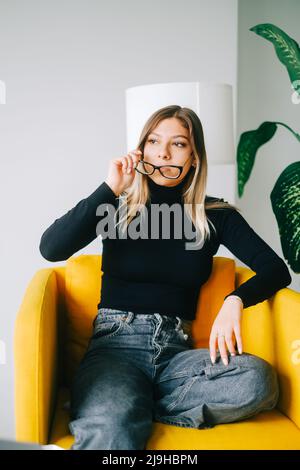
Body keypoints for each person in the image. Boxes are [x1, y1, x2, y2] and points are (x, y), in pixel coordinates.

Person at [39, 105, 291, 450]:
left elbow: (276, 269)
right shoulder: (118, 206)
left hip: (177, 354)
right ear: (142, 149)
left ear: (194, 158)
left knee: (258, 380)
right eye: (154, 141)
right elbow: (51, 249)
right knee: (112, 431)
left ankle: (128, 405)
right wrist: (110, 187)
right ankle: (114, 406)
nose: (163, 152)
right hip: (115, 347)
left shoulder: (216, 215)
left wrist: (235, 300)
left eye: (179, 144)